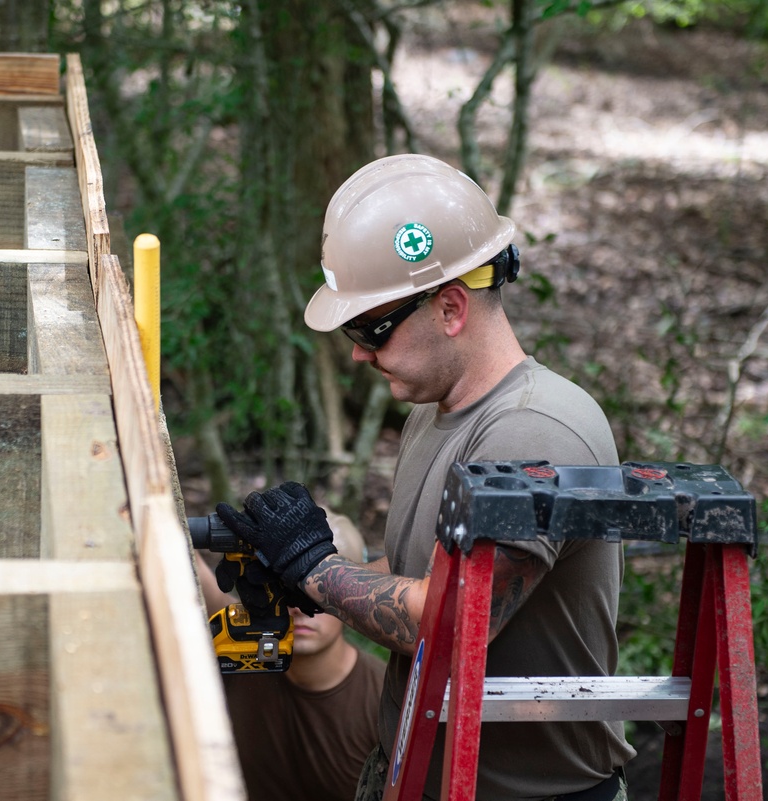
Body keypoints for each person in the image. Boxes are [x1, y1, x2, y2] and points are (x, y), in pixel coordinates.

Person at [213, 154, 636, 801]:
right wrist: (295, 575)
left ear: (451, 308)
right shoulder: (438, 409)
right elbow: (424, 569)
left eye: (370, 328)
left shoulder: (536, 432)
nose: (358, 351)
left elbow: (452, 618)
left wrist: (317, 568)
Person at [196, 510, 385, 801]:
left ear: (352, 597)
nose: (298, 608)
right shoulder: (238, 646)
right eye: (285, 589)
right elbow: (182, 557)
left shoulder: (385, 698)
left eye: (317, 591)